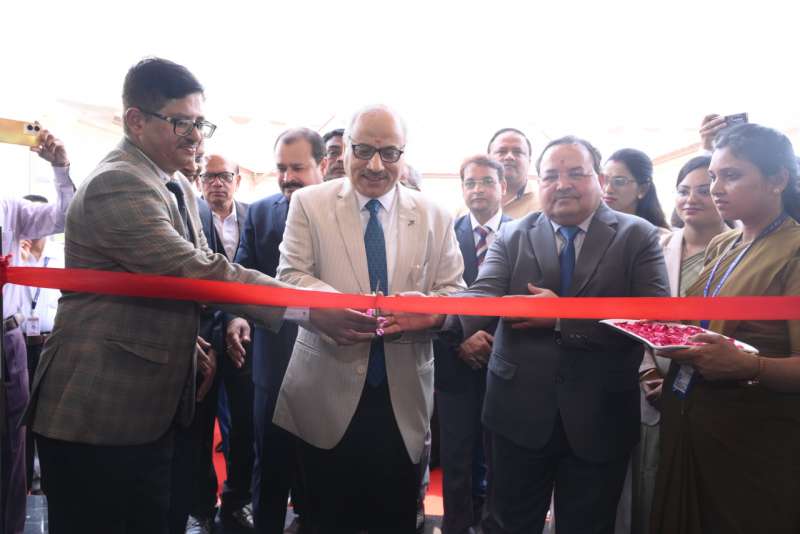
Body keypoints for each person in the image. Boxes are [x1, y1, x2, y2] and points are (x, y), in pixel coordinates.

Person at [25, 57, 291, 534]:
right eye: (181, 123)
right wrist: (305, 307)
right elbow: (194, 270)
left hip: (152, 411)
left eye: (200, 124)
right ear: (136, 120)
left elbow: (197, 263)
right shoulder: (118, 182)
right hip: (97, 413)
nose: (195, 137)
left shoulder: (177, 185)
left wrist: (193, 337)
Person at [444, 135, 669, 534]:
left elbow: (652, 319)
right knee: (507, 525)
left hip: (600, 416)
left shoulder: (637, 236)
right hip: (517, 415)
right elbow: (483, 295)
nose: (562, 184)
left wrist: (563, 318)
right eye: (550, 176)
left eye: (576, 174)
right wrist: (432, 315)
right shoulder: (513, 234)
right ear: (538, 183)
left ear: (599, 179)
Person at [271, 105, 465, 532]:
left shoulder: (435, 215)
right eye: (363, 151)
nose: (376, 165)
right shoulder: (309, 203)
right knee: (323, 520)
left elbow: (456, 293)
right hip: (323, 391)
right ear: (344, 150)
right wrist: (331, 306)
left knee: (394, 519)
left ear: (403, 154)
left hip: (402, 397)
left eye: (389, 153)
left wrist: (430, 313)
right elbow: (289, 276)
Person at [651, 123, 800, 534]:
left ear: (777, 180)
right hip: (691, 417)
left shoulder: (794, 249)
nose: (716, 188)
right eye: (714, 176)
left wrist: (750, 366)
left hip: (754, 435)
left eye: (731, 176)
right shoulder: (723, 244)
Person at [621, 156, 728, 534]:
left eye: (703, 190)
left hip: (715, 387)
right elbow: (635, 316)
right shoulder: (655, 245)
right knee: (647, 480)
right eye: (683, 190)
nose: (691, 199)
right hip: (651, 383)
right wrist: (648, 370)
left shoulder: (739, 253)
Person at [227, 127, 325, 534]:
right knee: (269, 464)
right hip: (272, 359)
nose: (287, 177)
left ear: (322, 165)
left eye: (297, 168)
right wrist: (236, 317)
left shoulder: (343, 212)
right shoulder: (260, 212)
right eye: (281, 168)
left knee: (320, 472)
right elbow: (241, 274)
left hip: (330, 361)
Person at [1, 133, 74, 534]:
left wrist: (59, 167)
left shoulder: (11, 210)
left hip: (7, 340)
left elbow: (66, 216)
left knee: (12, 448)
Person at [435, 155, 510, 534]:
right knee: (456, 460)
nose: (478, 189)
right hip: (454, 361)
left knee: (503, 459)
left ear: (503, 187)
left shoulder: (523, 233)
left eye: (486, 181)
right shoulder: (444, 233)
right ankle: (456, 526)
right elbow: (435, 295)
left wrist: (492, 339)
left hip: (507, 363)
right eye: (470, 182)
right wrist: (461, 340)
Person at [602, 148, 670, 232]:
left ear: (642, 189)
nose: (608, 189)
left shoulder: (659, 236)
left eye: (619, 181)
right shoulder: (592, 230)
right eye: (603, 180)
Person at [487, 128, 540, 218]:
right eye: (502, 151)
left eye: (517, 152)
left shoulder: (544, 207)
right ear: (487, 159)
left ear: (529, 161)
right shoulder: (467, 205)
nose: (509, 157)